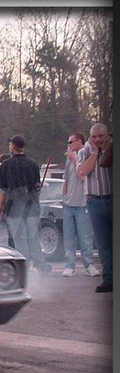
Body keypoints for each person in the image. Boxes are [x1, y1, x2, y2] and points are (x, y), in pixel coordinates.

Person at [0, 135, 52, 274]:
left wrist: (0, 205)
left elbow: (3, 189)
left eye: (10, 144)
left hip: (14, 210)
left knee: (20, 240)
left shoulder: (6, 165)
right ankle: (41, 265)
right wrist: (36, 205)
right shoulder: (33, 164)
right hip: (32, 208)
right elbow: (37, 188)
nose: (9, 146)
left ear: (14, 146)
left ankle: (25, 268)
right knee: (33, 238)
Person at [77, 123, 112, 293]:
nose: (98, 139)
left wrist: (106, 151)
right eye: (95, 137)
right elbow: (82, 171)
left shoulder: (112, 148)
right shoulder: (85, 151)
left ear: (107, 136)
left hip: (112, 198)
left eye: (101, 136)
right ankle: (109, 279)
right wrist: (94, 153)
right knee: (103, 243)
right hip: (94, 201)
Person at [61, 132, 99, 277]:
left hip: (82, 204)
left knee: (85, 237)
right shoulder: (68, 160)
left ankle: (89, 264)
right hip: (68, 204)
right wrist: (64, 196)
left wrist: (74, 159)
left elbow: (83, 176)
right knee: (69, 237)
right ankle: (69, 266)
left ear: (79, 141)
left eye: (71, 142)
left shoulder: (85, 155)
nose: (69, 145)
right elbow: (66, 180)